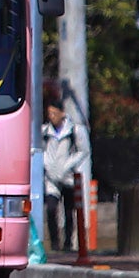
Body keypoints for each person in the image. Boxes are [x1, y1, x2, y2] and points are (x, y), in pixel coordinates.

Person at [41, 93, 91, 254]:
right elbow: (38, 150)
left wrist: (68, 164)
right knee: (51, 208)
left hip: (68, 176)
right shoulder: (44, 131)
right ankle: (55, 243)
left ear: (62, 113)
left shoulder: (74, 130)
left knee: (69, 211)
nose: (52, 117)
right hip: (51, 178)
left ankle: (68, 242)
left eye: (54, 113)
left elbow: (83, 151)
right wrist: (46, 164)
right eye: (49, 114)